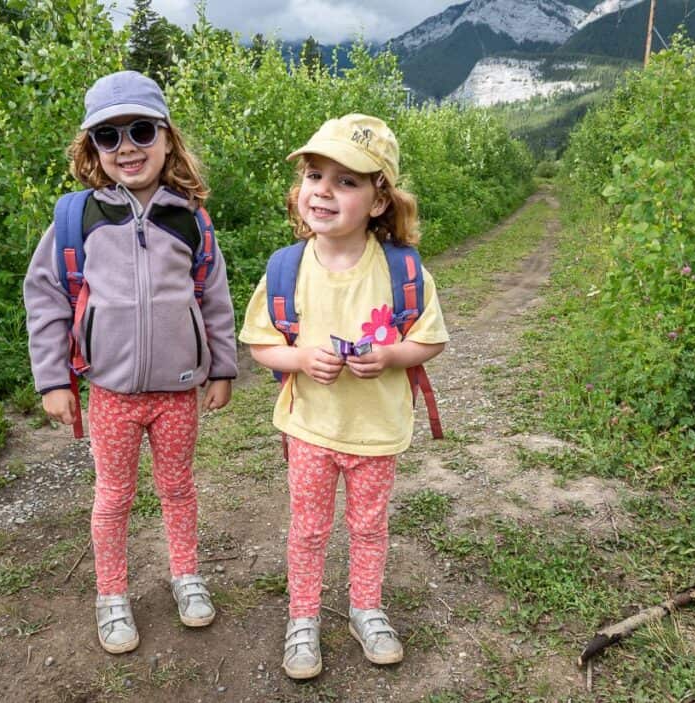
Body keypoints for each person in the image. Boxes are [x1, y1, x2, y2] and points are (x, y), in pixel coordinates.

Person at [24, 70, 237, 655]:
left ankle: (186, 575)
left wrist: (221, 367)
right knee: (113, 495)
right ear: (92, 149)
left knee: (178, 488)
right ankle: (112, 595)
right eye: (108, 137)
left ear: (167, 137)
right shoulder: (77, 219)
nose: (127, 148)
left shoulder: (188, 218)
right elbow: (44, 297)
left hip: (177, 392)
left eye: (141, 130)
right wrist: (53, 380)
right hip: (110, 393)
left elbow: (213, 295)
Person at [239, 114, 448, 679]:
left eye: (346, 181)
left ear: (379, 202)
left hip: (376, 430)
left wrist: (391, 356)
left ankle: (365, 608)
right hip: (309, 427)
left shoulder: (403, 272)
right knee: (308, 528)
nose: (323, 191)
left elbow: (427, 339)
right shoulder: (286, 269)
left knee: (369, 525)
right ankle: (302, 618)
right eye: (313, 175)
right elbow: (261, 345)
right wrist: (301, 358)